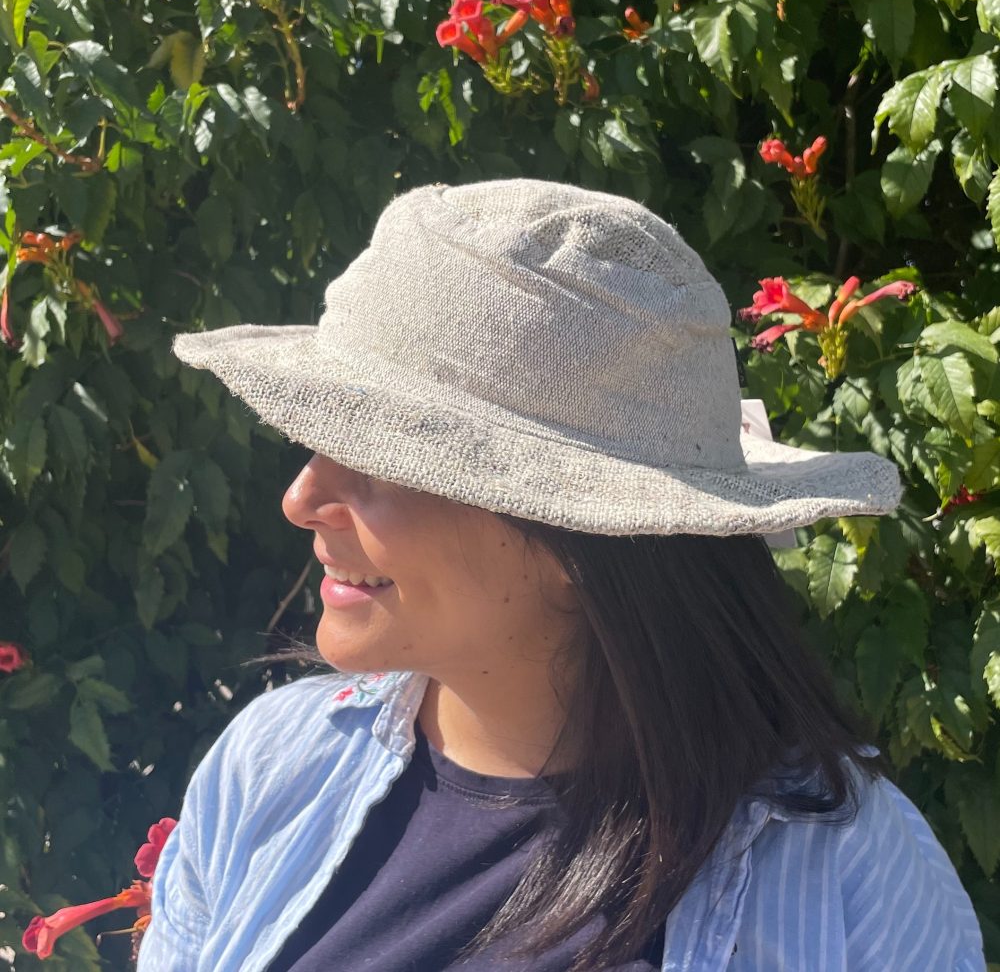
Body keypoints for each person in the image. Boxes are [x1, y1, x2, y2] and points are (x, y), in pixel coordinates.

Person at [137, 179, 985, 972]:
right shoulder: (271, 764)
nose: (302, 497)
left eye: (378, 456)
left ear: (585, 543)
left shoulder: (846, 874)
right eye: (320, 442)